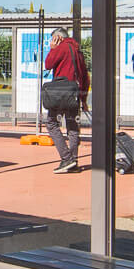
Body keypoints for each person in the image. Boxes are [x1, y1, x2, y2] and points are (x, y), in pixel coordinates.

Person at [41, 26, 89, 174]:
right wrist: (83, 98)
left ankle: (66, 158)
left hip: (60, 94)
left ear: (58, 37)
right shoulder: (77, 50)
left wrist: (53, 49)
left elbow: (48, 65)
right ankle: (73, 162)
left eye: (53, 38)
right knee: (73, 127)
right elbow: (85, 77)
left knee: (51, 123)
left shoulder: (61, 48)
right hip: (74, 94)